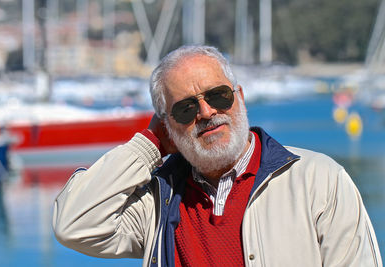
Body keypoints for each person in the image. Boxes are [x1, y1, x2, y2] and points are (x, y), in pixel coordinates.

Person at [53, 45, 382, 267]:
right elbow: (73, 224)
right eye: (186, 108)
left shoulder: (318, 180)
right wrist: (148, 146)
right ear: (168, 125)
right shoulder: (158, 202)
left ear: (239, 97)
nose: (207, 112)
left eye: (218, 96)